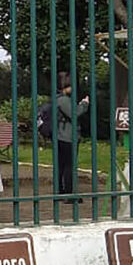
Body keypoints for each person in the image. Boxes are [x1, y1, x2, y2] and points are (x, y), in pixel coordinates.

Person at [55, 73, 89, 204]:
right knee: (69, 166)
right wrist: (84, 105)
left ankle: (60, 191)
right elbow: (74, 113)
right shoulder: (63, 100)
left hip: (61, 136)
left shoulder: (59, 98)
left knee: (62, 165)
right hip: (67, 136)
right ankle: (69, 194)